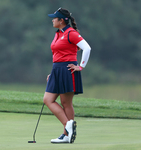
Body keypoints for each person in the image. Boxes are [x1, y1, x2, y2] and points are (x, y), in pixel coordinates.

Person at [43, 8, 91, 144]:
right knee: (48, 99)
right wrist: (53, 73)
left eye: (55, 18)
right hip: (57, 70)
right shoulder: (58, 33)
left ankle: (66, 134)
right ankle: (68, 126)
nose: (52, 20)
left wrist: (81, 66)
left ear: (62, 20)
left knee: (66, 103)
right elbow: (57, 55)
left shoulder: (71, 33)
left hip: (67, 70)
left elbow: (87, 48)